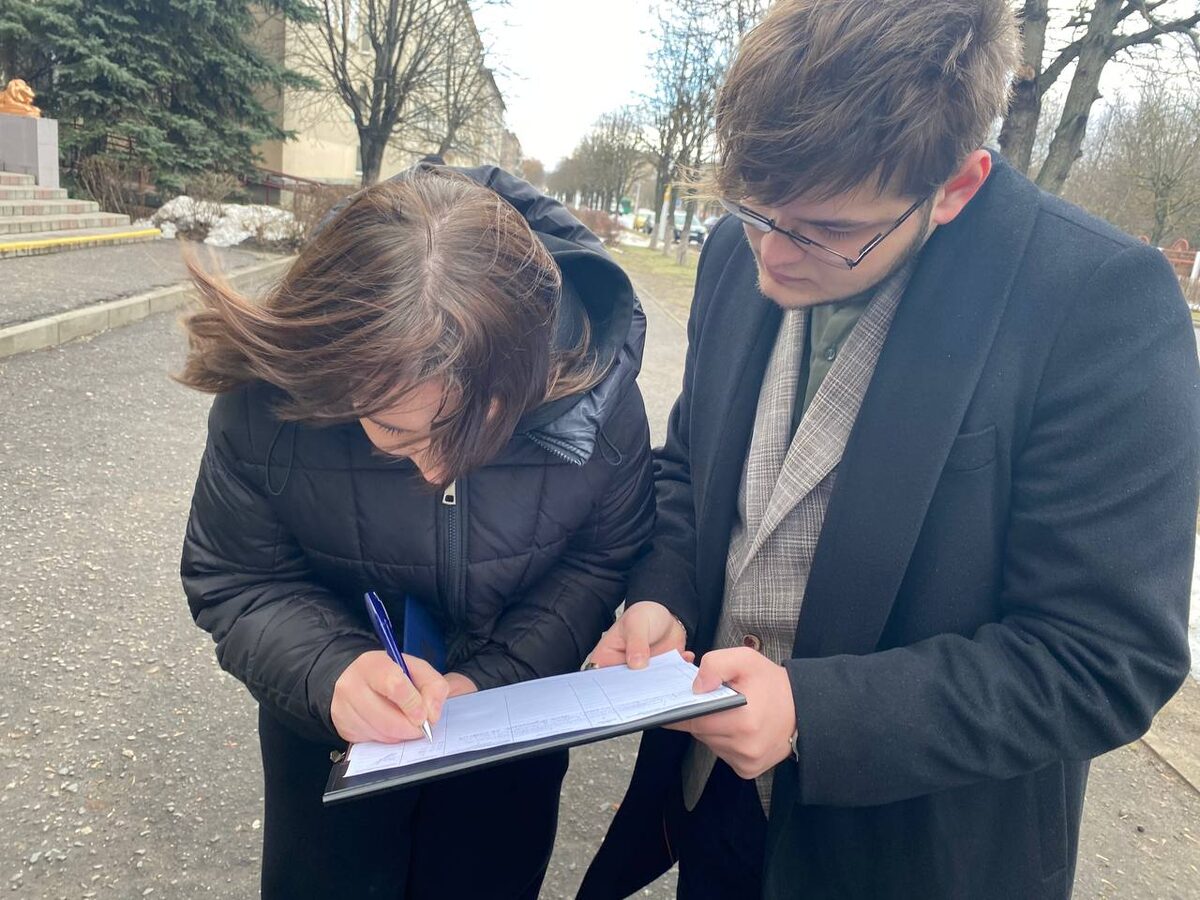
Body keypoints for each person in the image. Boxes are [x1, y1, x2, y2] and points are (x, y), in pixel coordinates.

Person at [578, 2, 1199, 898]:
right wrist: (662, 594)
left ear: (957, 187)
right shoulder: (734, 252)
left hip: (914, 857)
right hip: (712, 805)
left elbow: (1106, 657)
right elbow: (690, 472)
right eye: (752, 208)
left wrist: (815, 716)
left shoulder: (1098, 303)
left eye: (827, 230)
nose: (770, 254)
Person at [177, 164, 654, 898]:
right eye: (395, 430)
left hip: (510, 738)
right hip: (332, 736)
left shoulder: (592, 387)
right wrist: (331, 671)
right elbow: (236, 575)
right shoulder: (272, 393)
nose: (437, 469)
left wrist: (491, 682)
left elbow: (600, 558)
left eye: (484, 431)